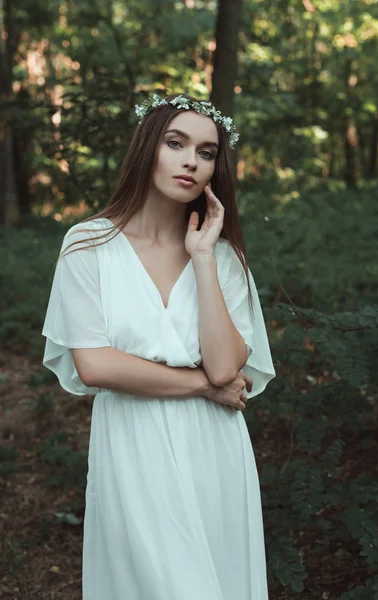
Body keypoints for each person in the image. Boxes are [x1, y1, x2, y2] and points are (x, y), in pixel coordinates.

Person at [41, 92, 276, 600]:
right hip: (133, 442)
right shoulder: (87, 245)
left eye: (207, 152)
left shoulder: (223, 258)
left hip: (215, 448)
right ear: (148, 147)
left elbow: (224, 365)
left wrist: (204, 259)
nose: (191, 160)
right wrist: (201, 387)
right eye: (176, 143)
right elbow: (96, 364)